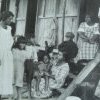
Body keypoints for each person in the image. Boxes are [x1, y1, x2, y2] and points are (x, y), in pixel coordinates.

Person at [0, 11, 14, 100]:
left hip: (7, 55)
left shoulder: (9, 29)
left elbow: (9, 41)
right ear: (4, 18)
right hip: (0, 54)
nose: (10, 21)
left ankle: (1, 94)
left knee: (6, 76)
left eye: (11, 19)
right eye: (9, 19)